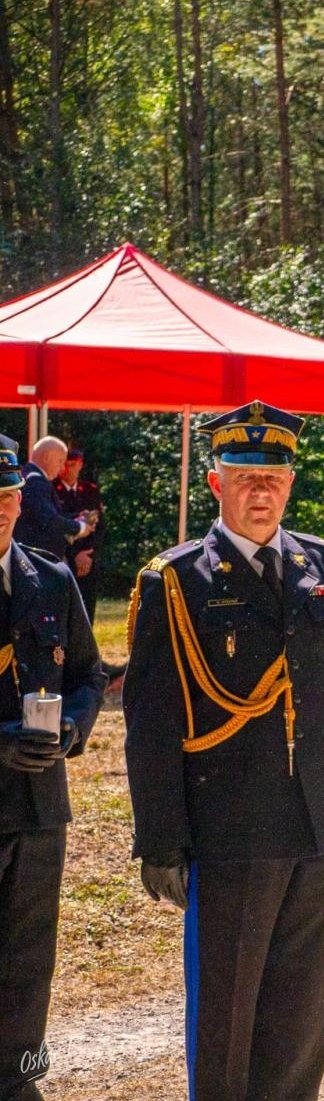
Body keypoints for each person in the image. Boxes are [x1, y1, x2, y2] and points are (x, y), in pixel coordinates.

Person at [122, 400, 324, 1101]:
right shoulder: (176, 582)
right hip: (231, 826)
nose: (261, 492)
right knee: (227, 1019)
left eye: (273, 477)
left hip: (318, 823)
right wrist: (160, 840)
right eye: (245, 478)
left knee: (300, 1019)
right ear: (216, 484)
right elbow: (149, 728)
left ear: (290, 484)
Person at [0, 445, 105, 1101]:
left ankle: (17, 1079)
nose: (3, 510)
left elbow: (89, 674)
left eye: (9, 497)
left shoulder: (50, 578)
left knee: (29, 957)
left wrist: (73, 728)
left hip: (40, 803)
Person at [15, 437, 95, 563]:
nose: (62, 468)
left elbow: (46, 514)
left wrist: (75, 517)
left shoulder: (30, 477)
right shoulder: (35, 482)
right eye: (60, 461)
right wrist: (80, 527)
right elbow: (50, 520)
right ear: (46, 457)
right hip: (37, 562)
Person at [53, 447, 104, 621]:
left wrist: (89, 554)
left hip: (88, 560)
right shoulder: (53, 489)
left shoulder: (90, 490)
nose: (68, 469)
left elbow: (100, 527)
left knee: (87, 610)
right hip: (65, 558)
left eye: (73, 464)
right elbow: (55, 526)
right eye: (65, 464)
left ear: (80, 465)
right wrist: (75, 556)